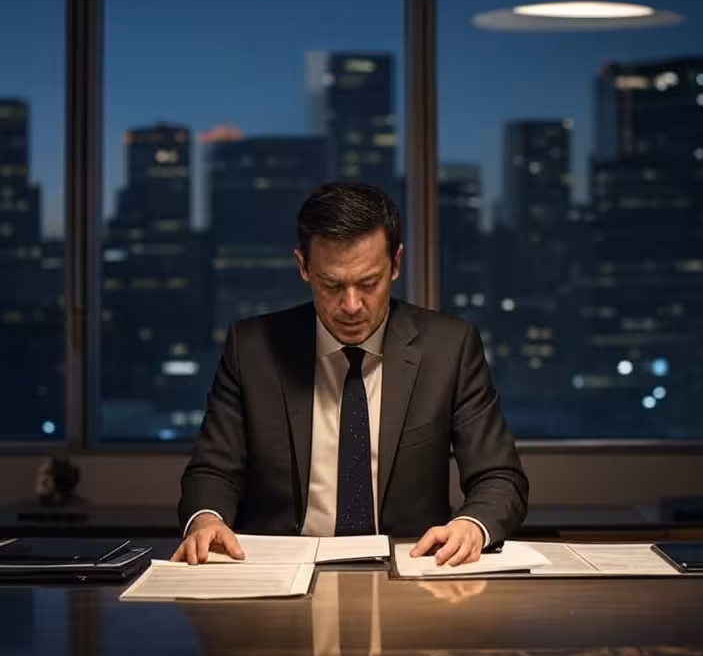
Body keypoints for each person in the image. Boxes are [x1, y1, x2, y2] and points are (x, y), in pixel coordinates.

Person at [172, 182, 528, 565]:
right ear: (303, 266)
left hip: (409, 568)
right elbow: (213, 469)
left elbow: (499, 477)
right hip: (278, 570)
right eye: (332, 285)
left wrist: (472, 525)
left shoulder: (450, 348)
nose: (352, 305)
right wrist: (206, 520)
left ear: (396, 264)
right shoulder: (252, 348)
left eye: (368, 283)